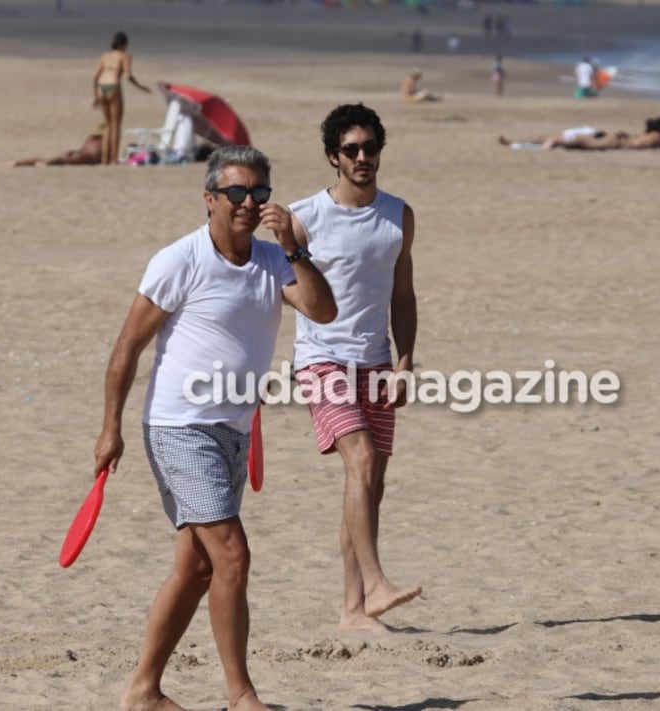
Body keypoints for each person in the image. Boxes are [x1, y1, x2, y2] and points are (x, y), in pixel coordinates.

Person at [94, 145, 336, 711]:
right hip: (180, 427)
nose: (248, 203)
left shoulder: (275, 262)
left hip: (233, 429)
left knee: (197, 565)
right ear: (210, 199)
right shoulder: (179, 260)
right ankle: (241, 695)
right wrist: (111, 428)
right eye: (236, 193)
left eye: (258, 193)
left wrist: (295, 247)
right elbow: (127, 346)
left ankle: (143, 690)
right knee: (231, 556)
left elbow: (324, 310)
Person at [288, 103, 422, 633]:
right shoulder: (305, 218)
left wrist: (405, 361)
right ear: (333, 158)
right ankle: (376, 583)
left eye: (370, 147)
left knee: (368, 486)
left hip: (376, 360)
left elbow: (404, 295)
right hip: (321, 359)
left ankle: (352, 610)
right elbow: (272, 286)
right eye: (351, 150)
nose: (363, 157)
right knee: (360, 462)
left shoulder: (398, 215)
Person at [93, 31, 151, 165]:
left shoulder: (105, 56)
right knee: (115, 125)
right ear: (125, 44)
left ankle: (104, 160)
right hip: (113, 86)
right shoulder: (125, 56)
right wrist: (141, 87)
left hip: (101, 87)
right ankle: (113, 159)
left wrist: (96, 95)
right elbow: (128, 76)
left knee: (107, 125)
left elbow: (95, 77)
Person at [501, 117, 660, 151]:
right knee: (583, 144)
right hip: (616, 142)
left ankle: (515, 141)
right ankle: (554, 142)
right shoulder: (658, 137)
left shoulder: (651, 136)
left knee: (580, 140)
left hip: (616, 138)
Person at [3, 126, 103, 167]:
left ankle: (19, 162)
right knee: (60, 160)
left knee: (60, 158)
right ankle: (20, 163)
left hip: (84, 151)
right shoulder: (105, 136)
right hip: (88, 155)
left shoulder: (94, 137)